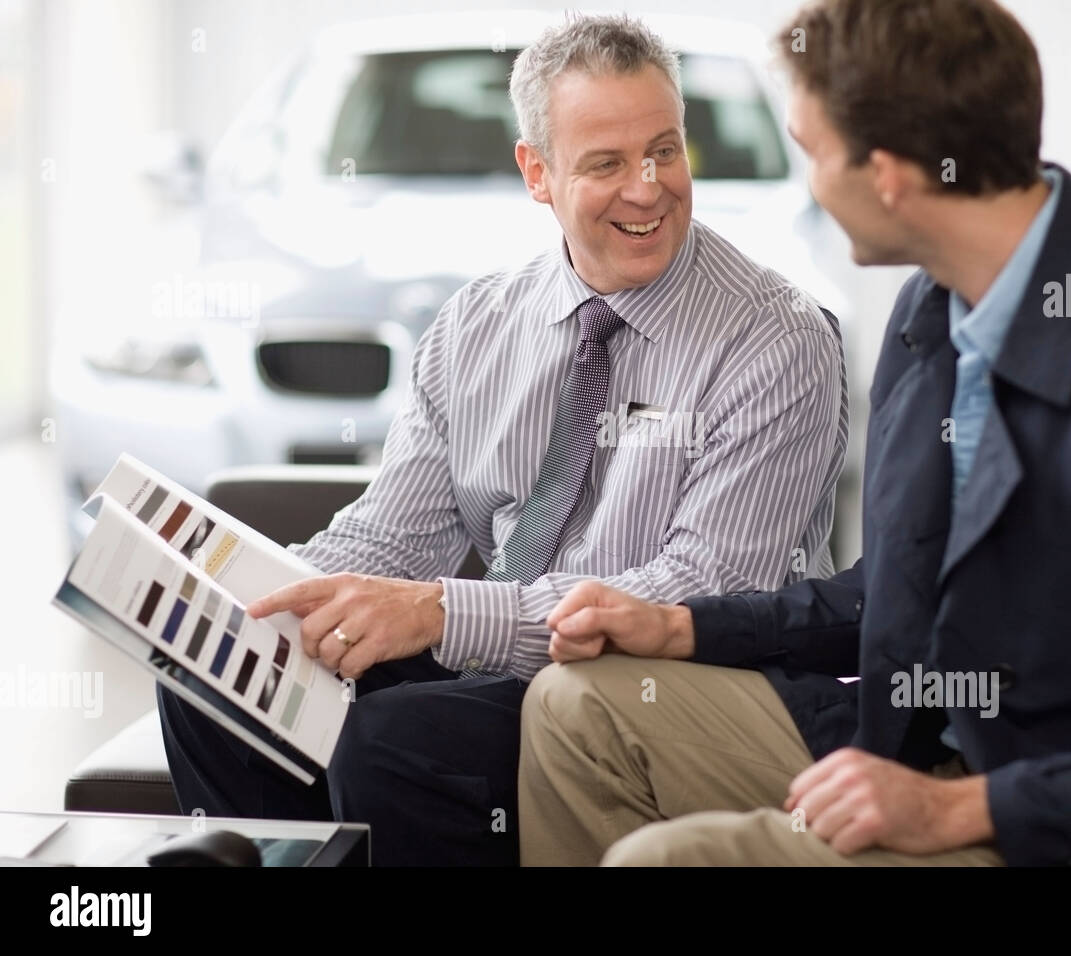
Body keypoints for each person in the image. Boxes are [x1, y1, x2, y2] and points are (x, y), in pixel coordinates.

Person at [516, 0, 1071, 866]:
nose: (809, 184)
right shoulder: (933, 312)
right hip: (916, 749)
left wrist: (965, 808)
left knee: (661, 862)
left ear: (885, 174)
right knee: (575, 704)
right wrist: (682, 626)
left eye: (812, 154)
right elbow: (890, 593)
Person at [156, 13, 848, 866]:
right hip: (497, 655)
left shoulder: (776, 338)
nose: (648, 187)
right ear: (537, 173)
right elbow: (394, 536)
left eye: (665, 151)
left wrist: (444, 614)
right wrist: (267, 599)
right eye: (606, 163)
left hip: (651, 688)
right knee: (213, 686)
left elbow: (703, 592)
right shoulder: (476, 324)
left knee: (392, 737)